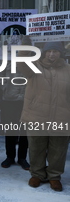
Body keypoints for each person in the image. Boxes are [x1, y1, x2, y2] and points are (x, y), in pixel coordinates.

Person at [17, 38, 70, 192]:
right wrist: (26, 46)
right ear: (44, 53)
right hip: (36, 115)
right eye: (49, 51)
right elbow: (21, 62)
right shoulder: (34, 67)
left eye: (55, 51)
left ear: (61, 53)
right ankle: (37, 174)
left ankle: (54, 176)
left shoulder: (68, 69)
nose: (52, 54)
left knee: (58, 150)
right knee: (36, 147)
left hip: (61, 116)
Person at [0, 64, 29, 170]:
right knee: (10, 129)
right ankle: (10, 157)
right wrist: (6, 88)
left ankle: (22, 158)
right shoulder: (7, 57)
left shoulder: (33, 58)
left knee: (25, 130)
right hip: (10, 100)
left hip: (27, 99)